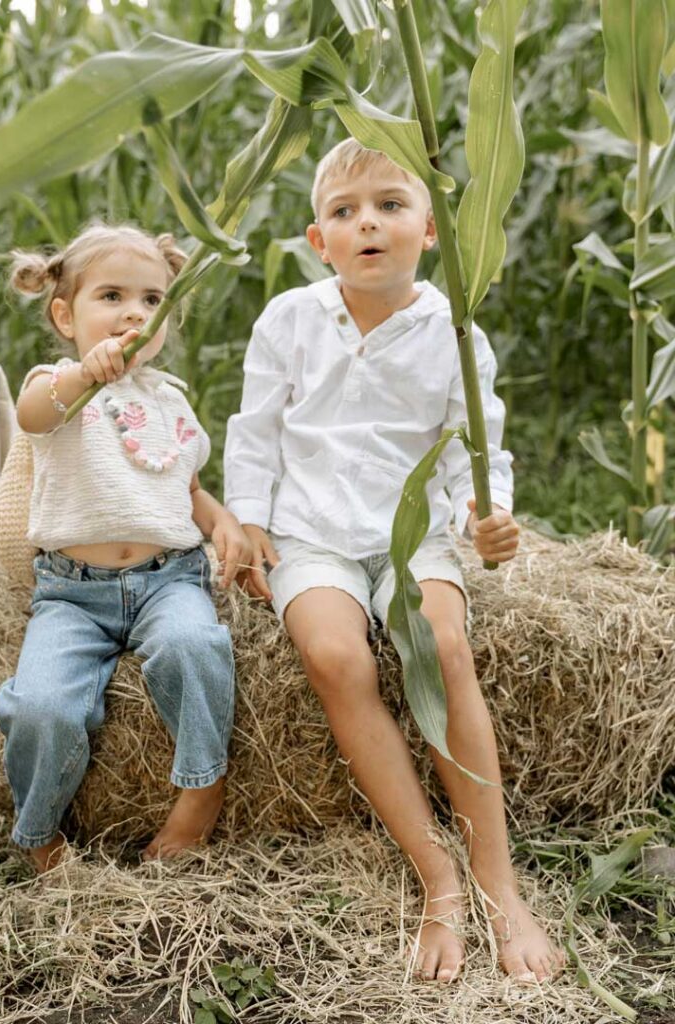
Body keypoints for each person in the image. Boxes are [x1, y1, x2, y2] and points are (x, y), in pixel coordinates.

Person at [224, 139, 565, 983]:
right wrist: (249, 521)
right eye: (344, 212)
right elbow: (256, 431)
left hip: (414, 531)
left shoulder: (454, 330)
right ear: (318, 240)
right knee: (337, 656)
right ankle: (438, 877)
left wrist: (485, 518)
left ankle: (499, 881)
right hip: (311, 531)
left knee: (444, 647)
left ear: (433, 229)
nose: (366, 221)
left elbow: (470, 456)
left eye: (388, 204)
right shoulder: (290, 320)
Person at [0, 224, 250, 873]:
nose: (134, 313)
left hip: (169, 579)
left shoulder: (170, 401)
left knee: (196, 647)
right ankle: (38, 830)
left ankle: (200, 786)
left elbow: (184, 483)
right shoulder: (56, 385)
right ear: (64, 314)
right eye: (111, 296)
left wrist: (219, 518)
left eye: (151, 301)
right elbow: (33, 416)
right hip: (71, 594)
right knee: (42, 706)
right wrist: (84, 371)